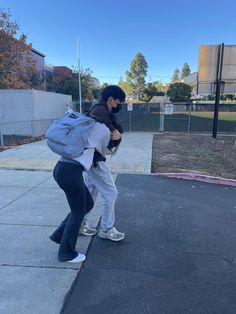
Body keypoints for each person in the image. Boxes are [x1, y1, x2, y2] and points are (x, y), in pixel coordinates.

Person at [49, 114, 111, 263]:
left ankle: (60, 236)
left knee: (87, 204)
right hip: (70, 172)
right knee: (78, 212)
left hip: (62, 169)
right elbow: (104, 152)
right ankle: (66, 253)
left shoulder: (86, 127)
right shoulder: (103, 130)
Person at [79, 85, 126, 241]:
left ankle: (79, 224)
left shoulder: (99, 110)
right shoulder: (100, 112)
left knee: (90, 193)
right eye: (118, 102)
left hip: (90, 159)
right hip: (95, 161)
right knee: (111, 193)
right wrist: (117, 136)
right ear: (111, 99)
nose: (119, 105)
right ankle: (106, 229)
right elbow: (111, 135)